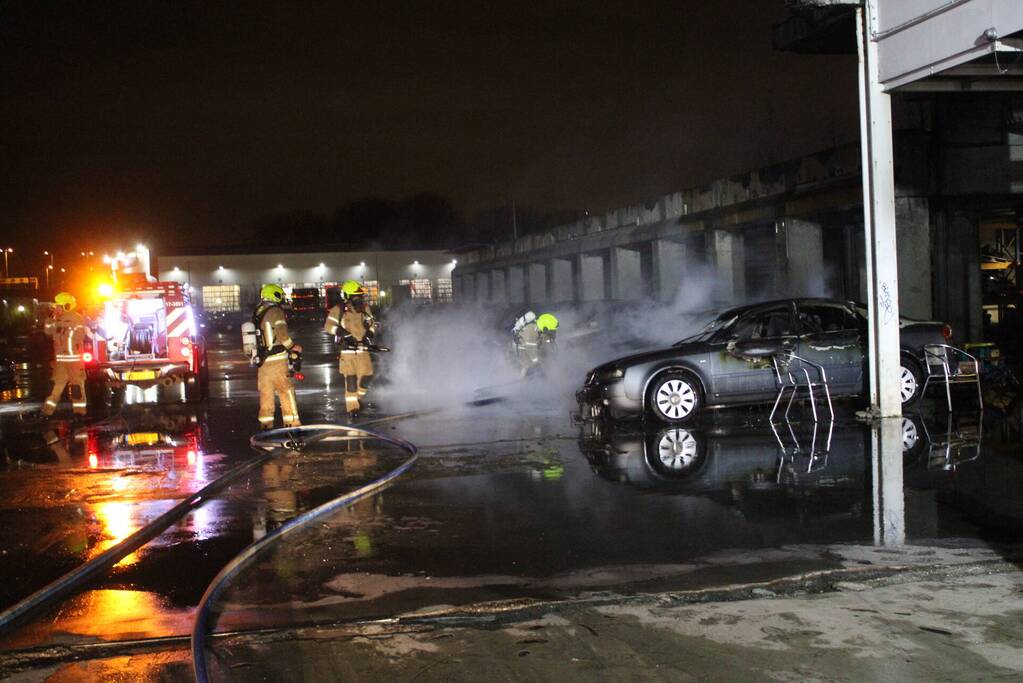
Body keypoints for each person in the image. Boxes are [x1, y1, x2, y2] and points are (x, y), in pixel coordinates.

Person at [324, 280, 376, 417]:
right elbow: (328, 326)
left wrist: (369, 334)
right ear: (347, 296)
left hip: (363, 350)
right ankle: (352, 409)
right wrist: (343, 333)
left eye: (359, 296)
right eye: (355, 296)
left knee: (367, 377)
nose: (358, 299)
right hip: (347, 352)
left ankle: (357, 398)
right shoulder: (338, 310)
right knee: (351, 380)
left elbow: (372, 324)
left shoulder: (365, 309)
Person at [253, 284, 301, 429]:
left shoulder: (258, 312)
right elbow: (281, 334)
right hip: (278, 360)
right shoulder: (275, 311)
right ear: (275, 295)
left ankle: (266, 423)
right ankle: (292, 423)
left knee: (266, 393)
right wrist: (293, 347)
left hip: (263, 362)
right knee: (285, 390)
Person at [41, 292, 93, 418]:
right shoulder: (57, 319)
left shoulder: (76, 318)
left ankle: (79, 413)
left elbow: (76, 334)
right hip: (61, 363)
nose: (56, 308)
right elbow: (48, 331)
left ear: (66, 306)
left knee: (76, 388)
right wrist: (50, 318)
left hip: (74, 361)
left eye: (58, 306)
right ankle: (46, 412)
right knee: (55, 388)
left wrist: (59, 324)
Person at [512, 311, 559, 377]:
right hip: (522, 349)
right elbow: (530, 349)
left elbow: (543, 339)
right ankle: (522, 379)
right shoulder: (531, 332)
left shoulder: (539, 329)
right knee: (527, 364)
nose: (553, 333)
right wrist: (537, 364)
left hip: (532, 346)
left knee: (542, 358)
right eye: (552, 331)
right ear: (545, 328)